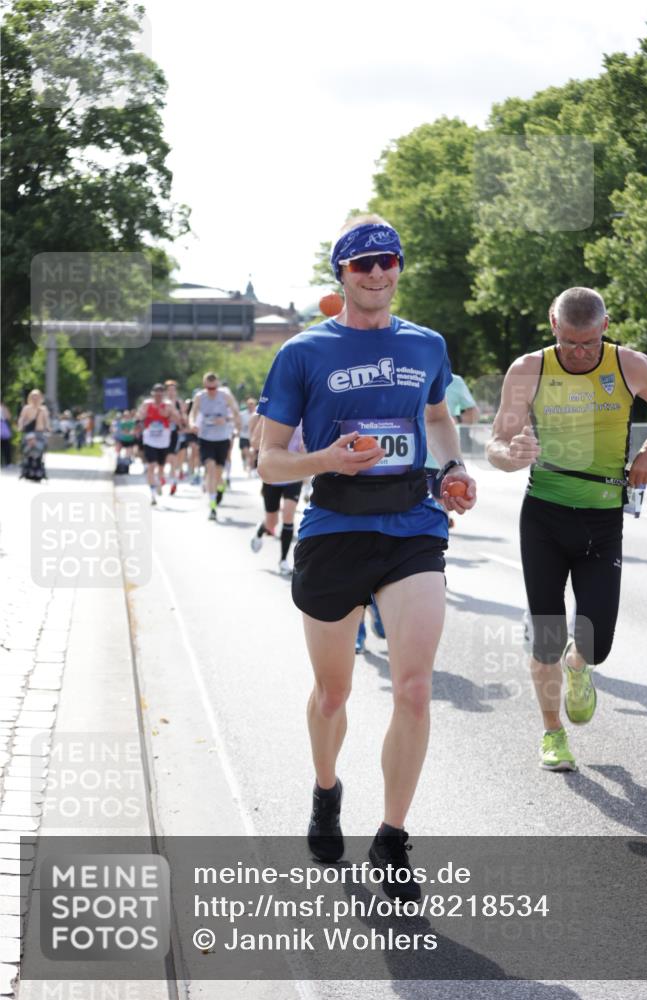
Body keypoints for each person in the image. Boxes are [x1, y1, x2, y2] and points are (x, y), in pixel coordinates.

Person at [257, 214, 476, 902]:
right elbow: (269, 458)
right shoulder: (302, 352)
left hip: (412, 526)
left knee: (412, 688)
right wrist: (327, 459)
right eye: (363, 264)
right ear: (341, 275)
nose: (378, 273)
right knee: (334, 692)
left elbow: (437, 417)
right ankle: (326, 790)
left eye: (388, 261)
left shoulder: (426, 345)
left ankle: (391, 835)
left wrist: (452, 470)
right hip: (333, 530)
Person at [487, 286, 647, 772]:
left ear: (605, 326)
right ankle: (552, 735)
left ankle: (578, 666)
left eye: (588, 342)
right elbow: (497, 444)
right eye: (570, 343)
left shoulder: (630, 365)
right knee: (546, 633)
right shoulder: (529, 369)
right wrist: (512, 455)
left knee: (598, 642)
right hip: (544, 514)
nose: (580, 353)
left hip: (603, 519)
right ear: (552, 324)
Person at [249, 416, 304, 575]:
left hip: (294, 472)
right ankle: (261, 530)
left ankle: (283, 560)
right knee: (272, 521)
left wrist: (306, 447)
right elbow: (254, 441)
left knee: (288, 513)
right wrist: (267, 442)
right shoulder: (270, 414)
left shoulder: (304, 415)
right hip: (272, 473)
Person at [189, 372, 241, 521]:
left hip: (222, 438)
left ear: (217, 385)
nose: (211, 391)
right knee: (210, 469)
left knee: (218, 473)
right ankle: (212, 507)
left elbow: (236, 413)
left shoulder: (225, 395)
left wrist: (226, 419)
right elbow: (192, 413)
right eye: (208, 388)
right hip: (205, 438)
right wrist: (192, 424)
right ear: (204, 386)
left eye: (214, 388)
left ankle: (220, 486)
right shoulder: (200, 396)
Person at [136, 384, 177, 506]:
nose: (158, 397)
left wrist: (168, 414)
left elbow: (177, 418)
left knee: (161, 467)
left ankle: (159, 482)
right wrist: (144, 413)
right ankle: (152, 494)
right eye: (156, 394)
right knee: (151, 465)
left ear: (163, 394)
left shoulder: (168, 405)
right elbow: (138, 416)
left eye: (160, 394)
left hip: (163, 441)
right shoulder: (147, 404)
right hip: (150, 440)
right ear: (152, 394)